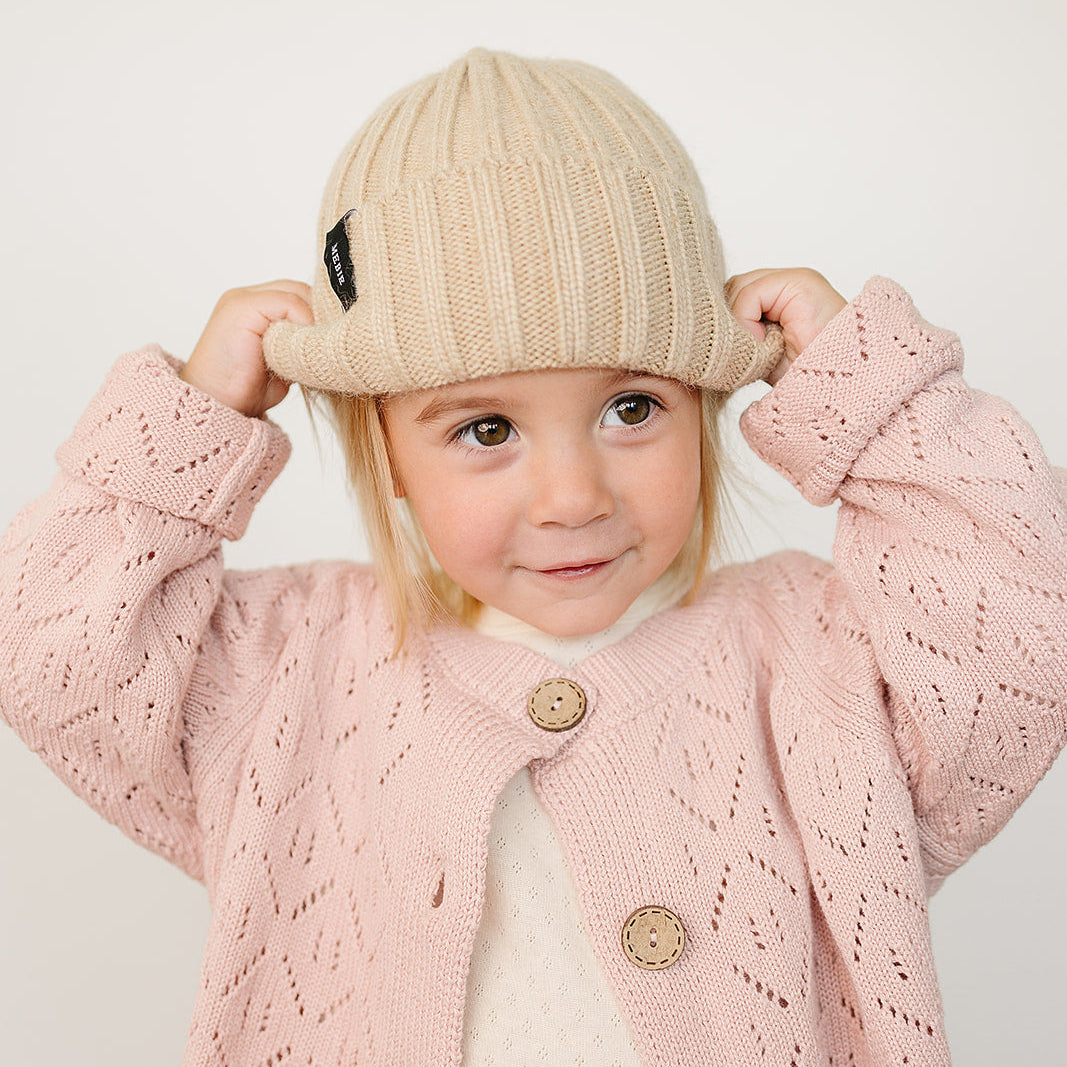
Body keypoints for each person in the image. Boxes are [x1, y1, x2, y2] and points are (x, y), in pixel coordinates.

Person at [1, 45, 1064, 1067]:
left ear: (702, 402)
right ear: (389, 456)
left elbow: (1022, 621)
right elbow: (47, 645)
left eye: (632, 407)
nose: (571, 497)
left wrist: (871, 396)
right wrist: (191, 417)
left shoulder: (818, 660)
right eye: (485, 430)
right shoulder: (291, 667)